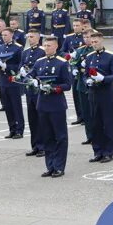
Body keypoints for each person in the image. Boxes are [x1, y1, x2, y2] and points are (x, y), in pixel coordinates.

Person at [33, 35, 72, 178]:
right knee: (47, 137)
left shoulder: (62, 63)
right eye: (45, 45)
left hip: (56, 105)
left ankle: (59, 166)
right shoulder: (39, 62)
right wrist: (31, 81)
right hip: (42, 104)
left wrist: (54, 88)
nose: (46, 48)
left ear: (56, 47)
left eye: (49, 46)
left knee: (60, 136)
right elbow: (32, 77)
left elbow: (68, 84)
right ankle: (50, 166)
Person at [83, 30, 113, 163]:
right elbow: (85, 74)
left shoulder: (110, 56)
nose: (94, 44)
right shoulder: (89, 56)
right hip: (93, 93)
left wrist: (103, 78)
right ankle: (97, 151)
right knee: (95, 123)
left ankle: (108, 152)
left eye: (96, 42)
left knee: (107, 123)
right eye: (92, 42)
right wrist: (87, 81)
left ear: (102, 41)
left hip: (106, 93)